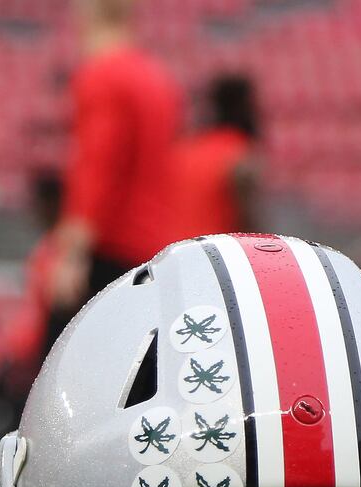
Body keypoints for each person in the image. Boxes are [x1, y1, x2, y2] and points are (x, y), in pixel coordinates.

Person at [47, 0, 182, 354]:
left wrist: (73, 252)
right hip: (149, 245)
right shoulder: (156, 77)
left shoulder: (103, 75)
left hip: (110, 248)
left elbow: (99, 163)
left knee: (63, 367)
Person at [170, 74, 262, 239]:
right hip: (214, 254)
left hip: (173, 250)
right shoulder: (238, 153)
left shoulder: (188, 149)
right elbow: (247, 218)